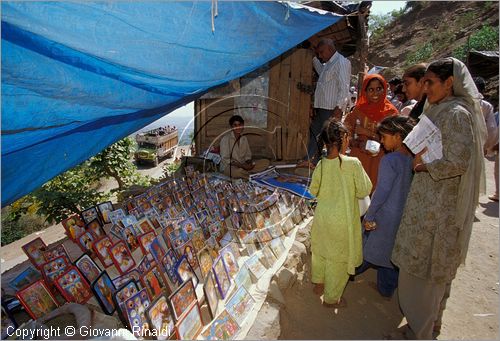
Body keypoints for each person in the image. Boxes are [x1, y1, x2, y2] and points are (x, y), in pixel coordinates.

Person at [390, 57, 486, 340]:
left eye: (431, 82)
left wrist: (424, 165)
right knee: (424, 270)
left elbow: (458, 161)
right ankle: (425, 326)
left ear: (449, 83)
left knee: (427, 271)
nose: (426, 87)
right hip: (429, 200)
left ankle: (420, 330)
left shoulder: (457, 114)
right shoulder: (442, 109)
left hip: (438, 206)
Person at [308, 119, 372, 308]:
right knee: (338, 261)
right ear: (343, 139)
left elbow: (313, 189)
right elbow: (364, 189)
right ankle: (331, 299)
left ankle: (318, 285)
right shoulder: (353, 164)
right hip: (343, 222)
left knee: (320, 252)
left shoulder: (321, 164)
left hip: (322, 218)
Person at [355, 116, 415, 299]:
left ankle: (349, 273)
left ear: (398, 136)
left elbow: (381, 192)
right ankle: (386, 288)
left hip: (384, 216)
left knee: (367, 248)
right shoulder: (412, 160)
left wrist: (370, 215)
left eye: (384, 137)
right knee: (390, 253)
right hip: (401, 216)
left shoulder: (390, 160)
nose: (381, 141)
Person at [298, 38, 351, 168]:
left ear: (329, 48)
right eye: (318, 54)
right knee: (316, 132)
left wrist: (339, 108)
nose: (320, 56)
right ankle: (311, 159)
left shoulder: (341, 62)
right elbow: (321, 73)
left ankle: (318, 161)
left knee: (326, 136)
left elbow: (344, 87)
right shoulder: (328, 64)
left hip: (331, 108)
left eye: (321, 52)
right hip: (322, 108)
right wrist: (313, 55)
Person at [344, 74, 399, 190]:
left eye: (379, 89)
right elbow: (346, 129)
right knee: (356, 189)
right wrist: (353, 142)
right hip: (359, 156)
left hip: (380, 158)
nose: (375, 93)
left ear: (385, 89)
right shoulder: (359, 110)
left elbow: (395, 140)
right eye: (371, 90)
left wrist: (367, 133)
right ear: (365, 91)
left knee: (376, 188)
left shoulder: (391, 113)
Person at [472, 76, 499, 201]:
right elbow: (492, 129)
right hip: (479, 145)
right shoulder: (486, 106)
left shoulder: (459, 102)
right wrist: (487, 147)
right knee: (475, 175)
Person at [219, 115, 270, 179]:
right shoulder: (226, 139)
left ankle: (247, 173)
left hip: (243, 165)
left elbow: (248, 155)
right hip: (229, 167)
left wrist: (249, 163)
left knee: (265, 162)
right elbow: (225, 159)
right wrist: (242, 166)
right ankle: (251, 176)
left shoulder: (244, 138)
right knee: (236, 172)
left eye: (239, 124)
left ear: (243, 126)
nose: (238, 127)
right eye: (235, 125)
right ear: (232, 127)